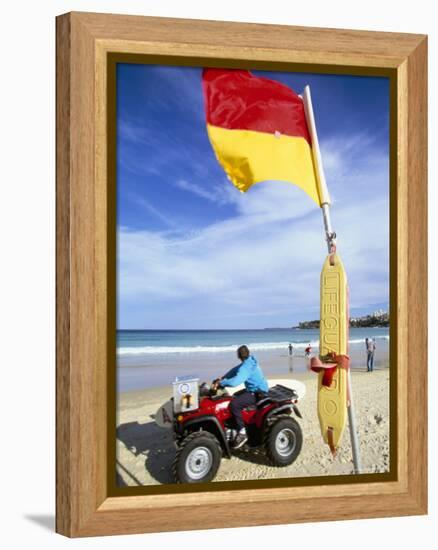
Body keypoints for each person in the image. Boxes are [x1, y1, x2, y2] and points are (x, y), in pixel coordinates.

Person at [212, 345, 269, 449]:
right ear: (248, 353)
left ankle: (242, 433)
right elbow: (234, 370)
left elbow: (235, 382)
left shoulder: (246, 367)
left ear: (238, 355)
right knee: (234, 396)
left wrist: (222, 383)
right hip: (256, 389)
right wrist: (222, 378)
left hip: (258, 393)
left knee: (234, 404)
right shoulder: (250, 361)